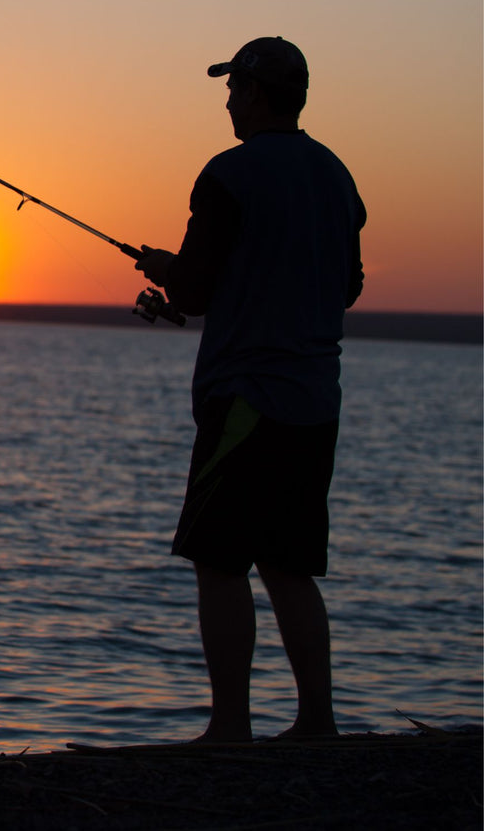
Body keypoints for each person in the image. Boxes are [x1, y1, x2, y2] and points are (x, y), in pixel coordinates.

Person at [135, 36, 366, 743]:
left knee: (220, 559)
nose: (229, 101)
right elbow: (347, 285)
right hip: (314, 403)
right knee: (290, 566)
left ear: (259, 93)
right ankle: (316, 723)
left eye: (235, 88)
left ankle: (230, 726)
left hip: (245, 401)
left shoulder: (228, 174)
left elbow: (198, 288)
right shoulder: (335, 175)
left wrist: (171, 273)